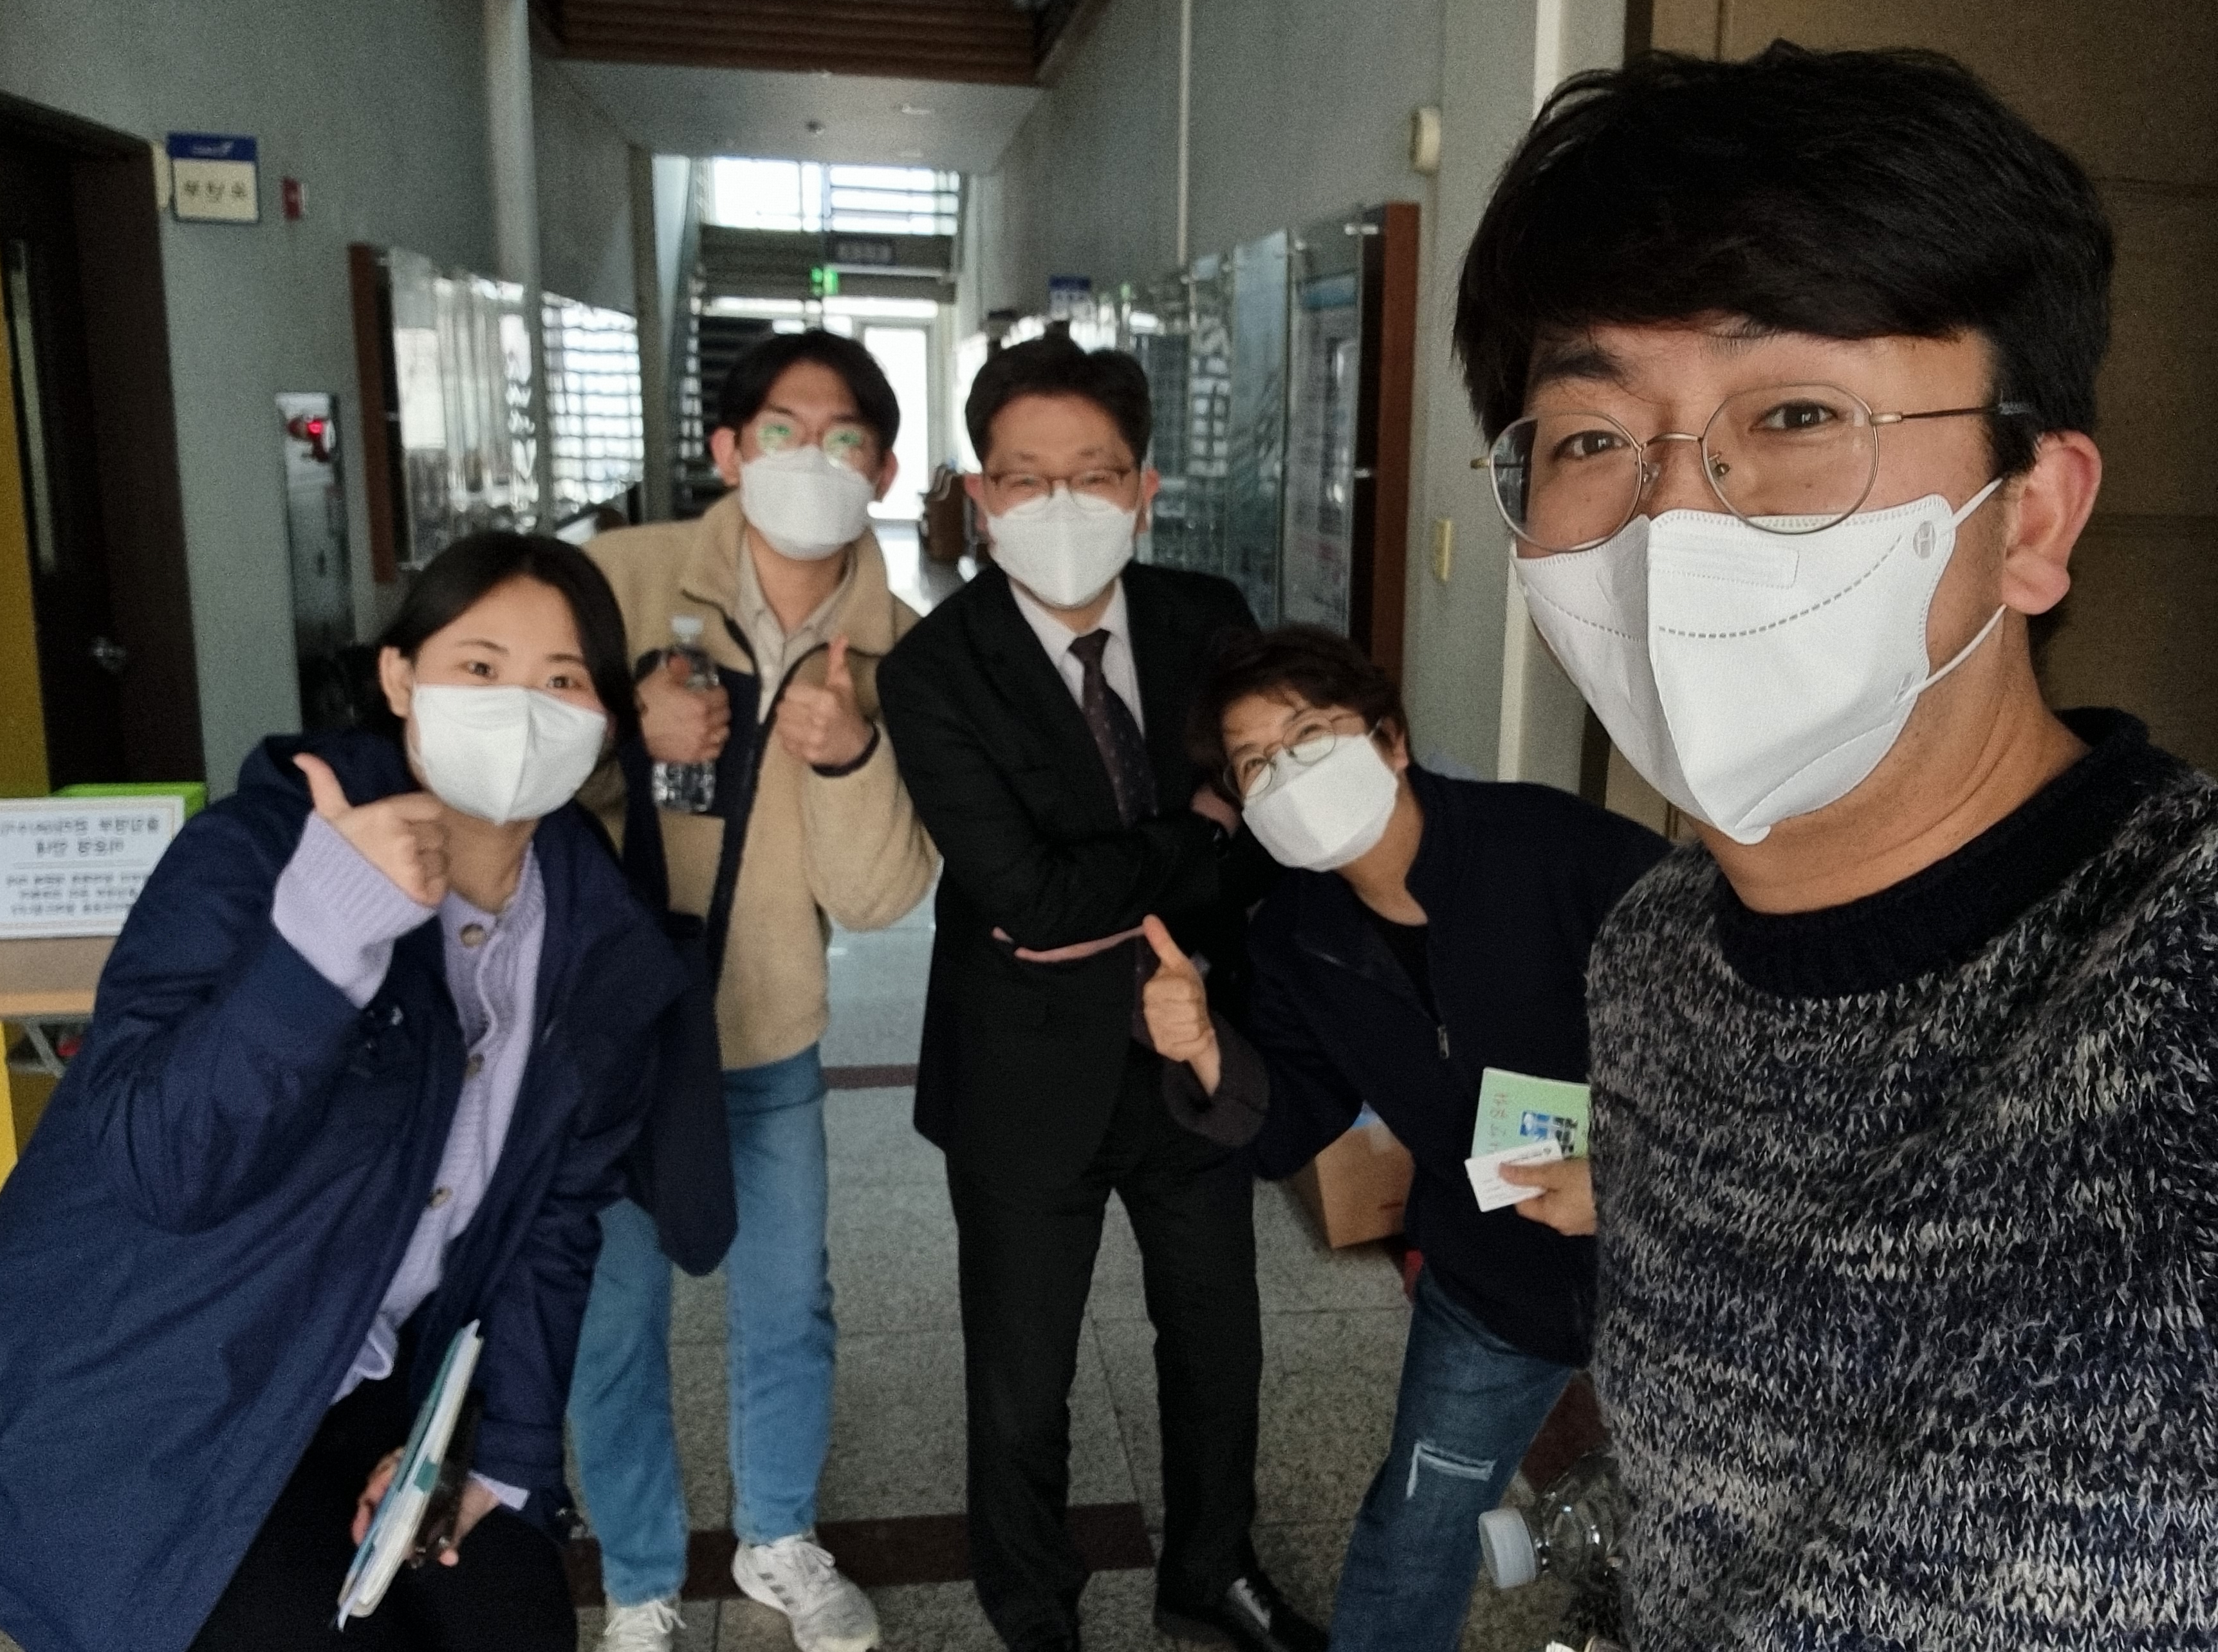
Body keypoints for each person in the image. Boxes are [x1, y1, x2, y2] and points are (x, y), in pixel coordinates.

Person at [1450, 42, 2218, 1647]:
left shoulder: (2182, 984)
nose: (1674, 522)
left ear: (2032, 515)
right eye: (1589, 439)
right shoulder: (1656, 957)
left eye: (1796, 412)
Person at [0, 533, 732, 1652]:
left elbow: (555, 1219)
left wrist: (513, 1451)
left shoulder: (596, 941)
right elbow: (164, 1161)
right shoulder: (255, 854)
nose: (521, 709)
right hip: (160, 1393)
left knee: (518, 1620)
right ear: (399, 678)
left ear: (606, 724)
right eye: (480, 667)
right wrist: (320, 939)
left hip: (372, 1381)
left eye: (562, 680)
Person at [878, 336, 1320, 1652]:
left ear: (1145, 487)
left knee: (1219, 1347)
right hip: (1024, 1074)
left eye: (1095, 473)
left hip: (1194, 1051)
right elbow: (1026, 895)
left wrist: (1177, 856)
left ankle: (1211, 1571)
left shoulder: (1208, 619)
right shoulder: (934, 668)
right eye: (1024, 477)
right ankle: (1036, 1614)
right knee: (1024, 1382)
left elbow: (1268, 822)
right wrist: (1192, 839)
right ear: (979, 493)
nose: (1059, 504)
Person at [1136, 624, 1664, 1651]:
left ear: (1390, 740)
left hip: (1680, 1259)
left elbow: (1737, 1024)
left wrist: (1630, 1177)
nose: (1288, 774)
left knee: (1725, 1530)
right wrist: (1204, 1047)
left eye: (1310, 735)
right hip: (1489, 1277)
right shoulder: (1295, 938)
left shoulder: (1553, 849)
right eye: (1256, 764)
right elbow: (1291, 1123)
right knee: (1415, 1532)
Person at [569, 328, 938, 1652]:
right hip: (612, 1037)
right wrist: (628, 728)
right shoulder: (617, 582)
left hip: (768, 1034)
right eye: (782, 431)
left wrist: (847, 758)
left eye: (845, 440)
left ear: (882, 470)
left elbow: (883, 898)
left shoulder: (904, 650)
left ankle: (778, 1536)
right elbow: (501, 777)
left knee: (788, 1304)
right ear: (728, 450)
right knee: (614, 1321)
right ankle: (638, 1580)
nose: (810, 460)